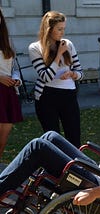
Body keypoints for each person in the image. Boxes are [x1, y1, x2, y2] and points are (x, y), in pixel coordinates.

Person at [0, 69, 100, 206]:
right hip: (98, 172)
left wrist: (94, 193)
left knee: (38, 146)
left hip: (96, 183)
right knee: (50, 136)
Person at [28, 11, 84, 148]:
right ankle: (55, 169)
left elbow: (81, 72)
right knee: (53, 139)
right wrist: (58, 54)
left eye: (64, 28)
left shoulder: (68, 44)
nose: (62, 32)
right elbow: (46, 77)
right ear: (49, 29)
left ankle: (75, 168)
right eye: (59, 29)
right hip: (47, 96)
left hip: (69, 95)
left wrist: (73, 74)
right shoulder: (35, 48)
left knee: (74, 137)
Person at [0, 8, 23, 158]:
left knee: (4, 134)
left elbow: (13, 67)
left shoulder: (6, 39)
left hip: (7, 91)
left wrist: (16, 79)